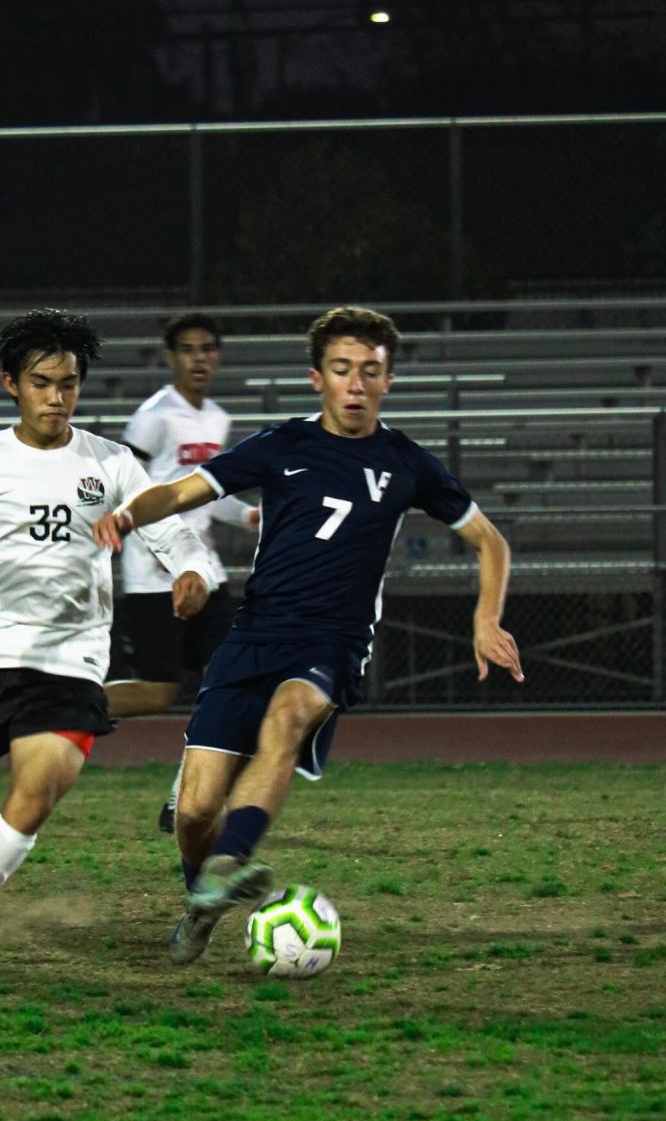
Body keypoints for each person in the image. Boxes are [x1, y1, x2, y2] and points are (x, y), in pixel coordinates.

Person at [93, 305, 524, 965]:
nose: (355, 384)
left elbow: (487, 540)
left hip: (333, 640)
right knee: (194, 811)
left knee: (290, 716)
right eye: (342, 369)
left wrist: (485, 618)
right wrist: (125, 514)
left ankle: (231, 859)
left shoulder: (406, 462)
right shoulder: (280, 446)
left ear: (387, 381)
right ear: (315, 377)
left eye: (370, 371)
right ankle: (201, 896)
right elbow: (178, 493)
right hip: (254, 634)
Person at [0, 309, 215, 972]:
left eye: (68, 383)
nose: (57, 396)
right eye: (42, 383)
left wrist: (191, 569)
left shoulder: (110, 462)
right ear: (12, 383)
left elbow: (167, 527)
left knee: (36, 795)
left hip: (69, 662)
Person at [105, 312, 258, 833]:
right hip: (154, 576)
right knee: (158, 691)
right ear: (171, 357)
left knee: (230, 683)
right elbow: (128, 488)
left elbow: (209, 494)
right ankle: (60, 703)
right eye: (188, 349)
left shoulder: (216, 417)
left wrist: (247, 514)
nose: (199, 358)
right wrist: (165, 559)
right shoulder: (154, 417)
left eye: (208, 348)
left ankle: (181, 801)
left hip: (206, 572)